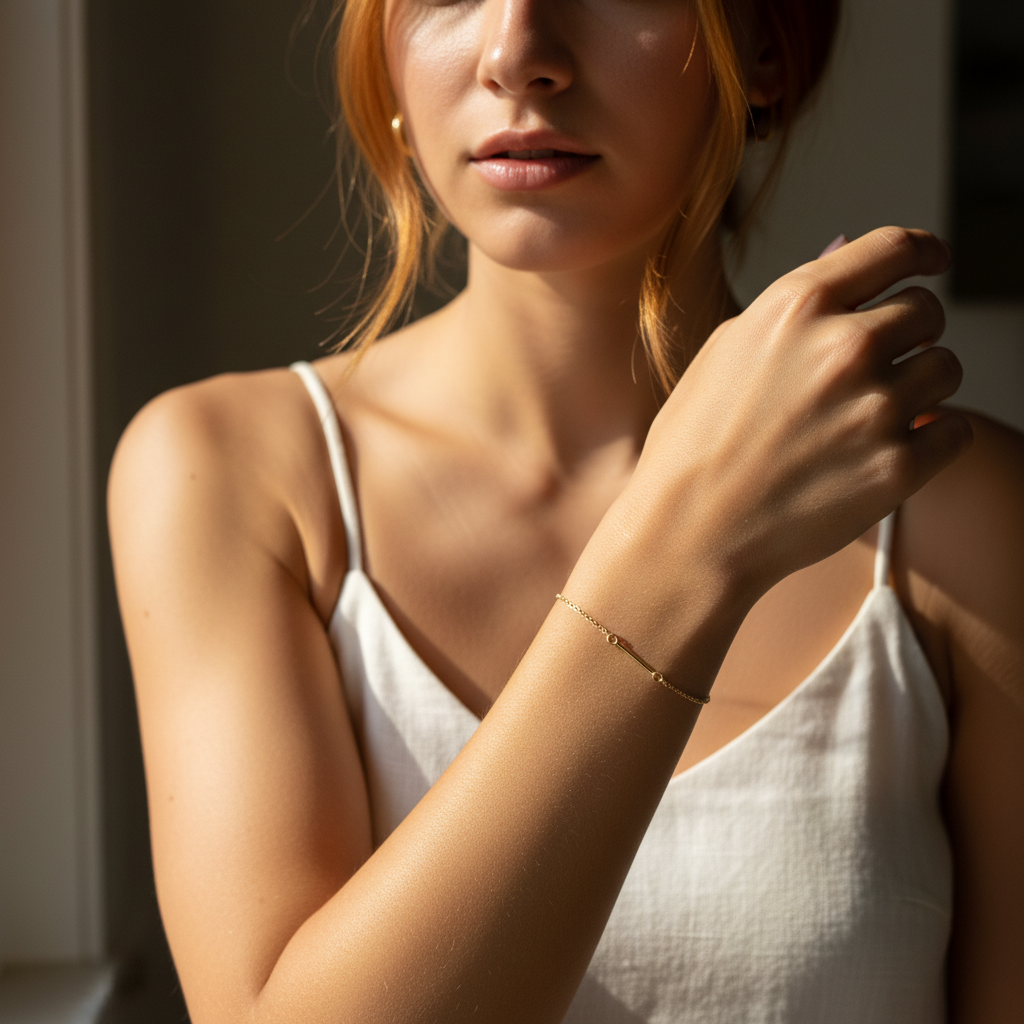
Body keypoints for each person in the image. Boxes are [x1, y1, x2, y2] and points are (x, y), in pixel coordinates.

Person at [108, 0, 1023, 1021]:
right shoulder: (232, 475)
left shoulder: (962, 514)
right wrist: (688, 546)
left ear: (764, 46)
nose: (518, 54)